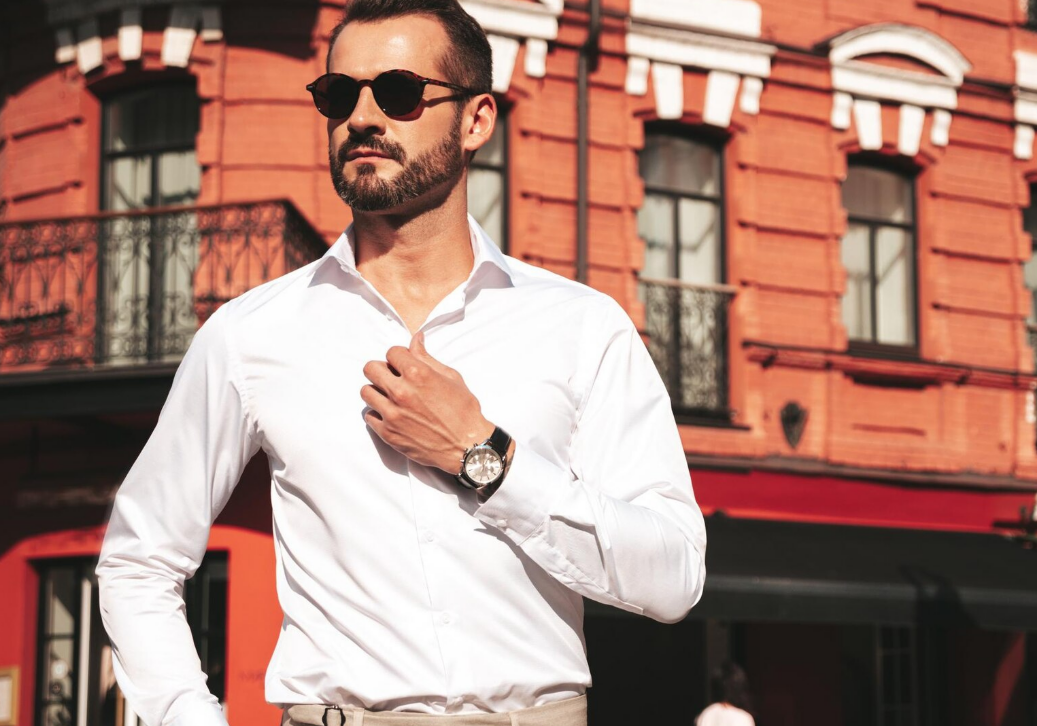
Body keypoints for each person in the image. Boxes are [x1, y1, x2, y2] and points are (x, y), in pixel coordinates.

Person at [94, 1, 707, 725]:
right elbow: (139, 558)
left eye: (398, 93)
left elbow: (673, 576)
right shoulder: (251, 334)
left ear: (476, 120)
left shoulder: (579, 325)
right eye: (338, 94)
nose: (360, 116)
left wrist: (485, 457)